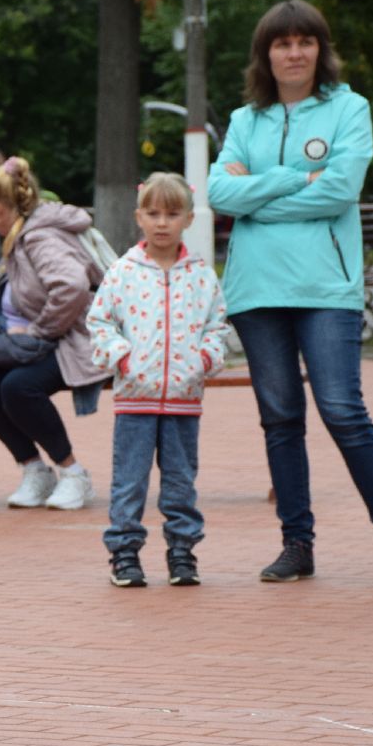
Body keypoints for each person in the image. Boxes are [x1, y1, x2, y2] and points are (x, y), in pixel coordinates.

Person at [208, 0, 373, 585]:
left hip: (326, 288)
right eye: (282, 43)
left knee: (343, 411)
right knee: (280, 419)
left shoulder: (349, 109)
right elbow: (219, 195)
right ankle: (297, 546)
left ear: (320, 49)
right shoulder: (244, 121)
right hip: (257, 291)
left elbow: (338, 191)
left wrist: (259, 193)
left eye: (304, 42)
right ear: (265, 54)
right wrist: (295, 178)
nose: (294, 53)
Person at [87, 173, 229, 588]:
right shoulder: (123, 272)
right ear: (139, 217)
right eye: (153, 213)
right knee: (129, 481)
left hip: (184, 400)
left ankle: (182, 551)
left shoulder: (201, 275)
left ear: (188, 219)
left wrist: (204, 360)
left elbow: (218, 327)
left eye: (172, 213)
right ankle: (124, 553)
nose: (162, 222)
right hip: (135, 400)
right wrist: (122, 357)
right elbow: (100, 322)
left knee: (181, 482)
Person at [0, 156, 105, 511]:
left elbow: (72, 287)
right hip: (47, 342)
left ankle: (74, 473)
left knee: (18, 387)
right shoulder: (21, 235)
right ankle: (35, 470)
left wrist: (39, 331)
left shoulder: (39, 236)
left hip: (76, 340)